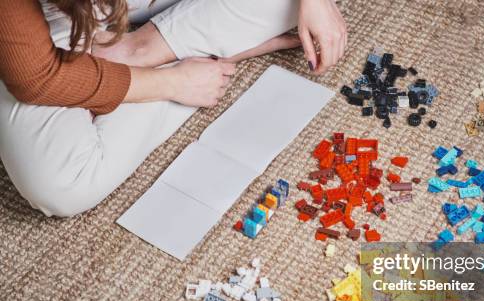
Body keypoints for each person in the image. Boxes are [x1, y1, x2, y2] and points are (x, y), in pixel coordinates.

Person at [0, 0, 347, 217]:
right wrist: (172, 84)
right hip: (49, 29)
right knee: (60, 184)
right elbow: (36, 77)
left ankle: (138, 50)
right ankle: (185, 59)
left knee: (309, 14)